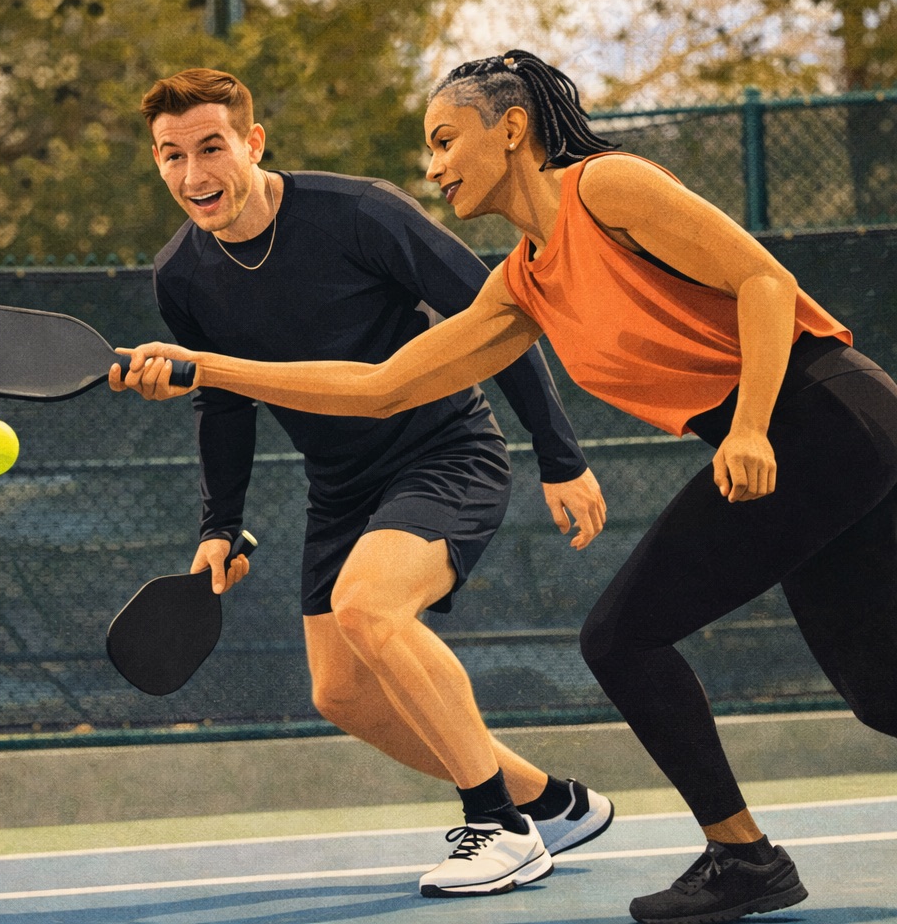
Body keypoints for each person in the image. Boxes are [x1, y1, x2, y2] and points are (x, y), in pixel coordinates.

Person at [118, 51, 897, 924]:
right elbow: (380, 387)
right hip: (806, 442)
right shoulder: (524, 282)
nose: (434, 165)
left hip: (821, 414)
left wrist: (750, 423)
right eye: (430, 147)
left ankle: (741, 856)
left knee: (620, 640)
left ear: (513, 129)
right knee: (882, 690)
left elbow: (764, 279)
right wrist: (204, 370)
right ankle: (691, 840)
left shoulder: (609, 187)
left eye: (447, 140)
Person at [111, 68, 615, 898]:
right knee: (340, 691)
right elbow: (226, 404)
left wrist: (560, 456)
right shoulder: (181, 276)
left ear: (252, 143)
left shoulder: (359, 212)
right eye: (171, 156)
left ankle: (497, 826)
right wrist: (218, 525)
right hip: (340, 484)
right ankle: (550, 802)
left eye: (211, 147)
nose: (194, 175)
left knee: (368, 607)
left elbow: (500, 317)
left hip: (444, 450)